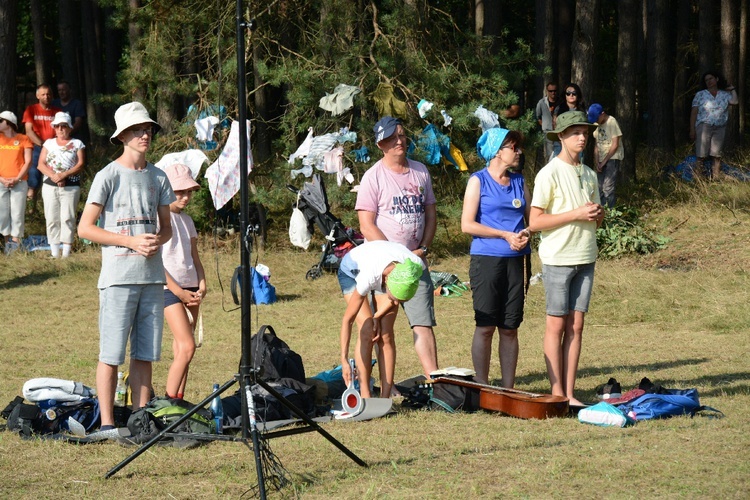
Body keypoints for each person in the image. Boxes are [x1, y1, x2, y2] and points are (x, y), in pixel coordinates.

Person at [78, 102, 174, 430]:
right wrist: (130, 241)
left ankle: (140, 420)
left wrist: (156, 241)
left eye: (147, 128)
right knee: (112, 354)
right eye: (137, 130)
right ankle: (106, 423)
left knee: (145, 353)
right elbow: (85, 228)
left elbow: (167, 229)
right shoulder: (107, 175)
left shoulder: (159, 176)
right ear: (122, 137)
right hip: (118, 278)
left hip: (152, 278)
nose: (144, 134)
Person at [527, 110, 604, 407]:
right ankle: (556, 392)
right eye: (574, 133)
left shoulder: (589, 173)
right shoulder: (549, 173)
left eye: (584, 132)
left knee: (577, 325)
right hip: (558, 258)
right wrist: (576, 214)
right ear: (560, 137)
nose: (582, 137)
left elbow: (595, 216)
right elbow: (534, 222)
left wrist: (599, 214)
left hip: (586, 256)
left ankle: (570, 394)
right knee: (556, 325)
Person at [356, 116, 439, 385]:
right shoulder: (373, 177)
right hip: (386, 267)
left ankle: (436, 382)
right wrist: (392, 262)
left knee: (423, 325)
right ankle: (385, 389)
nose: (400, 141)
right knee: (385, 330)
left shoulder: (420, 171)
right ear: (381, 144)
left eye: (402, 135)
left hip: (416, 264)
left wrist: (423, 249)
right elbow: (366, 226)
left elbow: (430, 213)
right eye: (392, 138)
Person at [461, 127, 531, 387]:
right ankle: (482, 384)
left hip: (517, 260)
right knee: (486, 325)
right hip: (487, 260)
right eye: (514, 147)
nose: (519, 152)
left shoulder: (519, 181)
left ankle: (508, 387)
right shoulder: (478, 181)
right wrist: (504, 235)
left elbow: (531, 220)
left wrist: (525, 233)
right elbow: (467, 224)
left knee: (510, 327)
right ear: (497, 151)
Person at [338, 240, 424, 399]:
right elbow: (347, 320)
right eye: (396, 298)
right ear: (387, 283)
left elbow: (394, 298)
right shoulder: (368, 276)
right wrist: (344, 359)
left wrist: (378, 315)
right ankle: (365, 394)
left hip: (385, 266)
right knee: (366, 330)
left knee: (385, 334)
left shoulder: (413, 267)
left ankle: (385, 397)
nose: (396, 303)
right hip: (352, 271)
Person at [161, 163, 206, 400]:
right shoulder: (160, 217)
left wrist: (202, 282)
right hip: (169, 288)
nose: (186, 197)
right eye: (180, 191)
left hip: (191, 288)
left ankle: (178, 399)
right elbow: (156, 261)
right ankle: (167, 403)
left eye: (189, 191)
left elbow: (194, 257)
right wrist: (178, 291)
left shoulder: (187, 220)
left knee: (184, 349)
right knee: (186, 345)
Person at [36, 112, 85, 258]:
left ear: (69, 127)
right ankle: (55, 252)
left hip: (71, 185)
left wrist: (64, 175)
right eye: (57, 126)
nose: (60, 129)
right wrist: (54, 177)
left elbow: (81, 164)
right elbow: (41, 164)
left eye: (63, 126)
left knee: (68, 217)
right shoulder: (48, 143)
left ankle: (66, 253)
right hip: (50, 185)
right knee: (51, 218)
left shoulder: (77, 143)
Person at [689, 71, 739, 180]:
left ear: (716, 79)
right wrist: (692, 129)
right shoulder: (700, 94)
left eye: (711, 79)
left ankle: (716, 178)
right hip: (704, 125)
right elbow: (694, 112)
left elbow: (735, 102)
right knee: (701, 154)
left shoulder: (725, 95)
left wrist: (733, 89)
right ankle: (699, 178)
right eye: (706, 80)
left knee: (716, 155)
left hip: (720, 127)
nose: (709, 82)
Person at [22, 84, 61, 210]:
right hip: (36, 147)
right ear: (37, 96)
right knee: (33, 177)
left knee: (53, 177)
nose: (46, 96)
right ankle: (30, 209)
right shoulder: (31, 110)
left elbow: (62, 130)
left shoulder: (58, 112)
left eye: (48, 94)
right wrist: (44, 144)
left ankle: (49, 209)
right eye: (43, 94)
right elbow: (29, 131)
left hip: (55, 148)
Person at [0, 111, 33, 254]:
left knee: (17, 213)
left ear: (9, 123)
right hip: (1, 182)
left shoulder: (23, 139)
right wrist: (1, 179)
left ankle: (15, 243)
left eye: (1, 120)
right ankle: (6, 241)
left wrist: (17, 178)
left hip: (19, 182)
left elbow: (28, 161)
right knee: (2, 213)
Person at [587, 103, 623, 208]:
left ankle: (611, 212)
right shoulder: (596, 125)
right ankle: (602, 211)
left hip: (612, 157)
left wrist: (604, 162)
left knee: (608, 188)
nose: (595, 121)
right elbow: (597, 144)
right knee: (599, 188)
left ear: (602, 114)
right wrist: (597, 162)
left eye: (596, 118)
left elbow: (615, 144)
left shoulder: (612, 122)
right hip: (601, 160)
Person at [551, 83, 585, 159]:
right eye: (568, 93)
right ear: (565, 95)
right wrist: (562, 142)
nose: (571, 95)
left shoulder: (582, 110)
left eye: (574, 93)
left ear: (578, 94)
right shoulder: (559, 109)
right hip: (560, 143)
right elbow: (555, 126)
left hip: (577, 143)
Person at [535, 82, 559, 161]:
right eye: (551, 91)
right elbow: (538, 116)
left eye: (555, 91)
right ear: (547, 91)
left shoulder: (561, 103)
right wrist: (544, 126)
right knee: (550, 154)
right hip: (548, 132)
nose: (553, 93)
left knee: (559, 152)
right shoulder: (541, 103)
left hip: (559, 131)